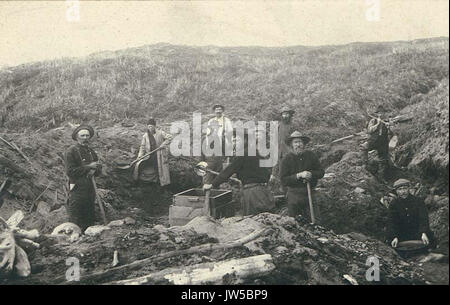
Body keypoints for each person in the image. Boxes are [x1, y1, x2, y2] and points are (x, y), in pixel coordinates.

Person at [203, 126, 275, 216]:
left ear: (245, 140)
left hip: (252, 193)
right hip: (264, 191)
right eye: (232, 141)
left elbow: (228, 171)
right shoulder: (254, 152)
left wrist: (212, 184)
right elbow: (266, 173)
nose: (234, 143)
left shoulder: (242, 154)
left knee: (253, 221)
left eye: (236, 140)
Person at [280, 131, 324, 221]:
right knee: (295, 223)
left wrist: (311, 174)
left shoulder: (311, 156)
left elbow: (321, 172)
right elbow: (283, 180)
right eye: (295, 142)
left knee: (315, 221)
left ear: (303, 144)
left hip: (309, 194)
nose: (298, 145)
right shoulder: (286, 159)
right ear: (291, 145)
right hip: (294, 195)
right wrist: (298, 176)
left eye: (300, 142)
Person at [65, 125, 102, 231]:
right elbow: (70, 171)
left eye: (87, 135)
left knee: (89, 212)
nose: (85, 138)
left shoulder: (91, 151)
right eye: (82, 135)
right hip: (77, 187)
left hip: (90, 187)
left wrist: (95, 169)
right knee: (75, 213)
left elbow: (98, 168)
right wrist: (88, 167)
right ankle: (73, 235)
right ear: (77, 137)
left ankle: (89, 237)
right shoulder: (71, 151)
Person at [133, 118, 172, 204]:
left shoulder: (160, 133)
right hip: (149, 155)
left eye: (152, 126)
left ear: (155, 126)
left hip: (159, 155)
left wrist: (163, 145)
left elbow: (170, 137)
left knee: (160, 170)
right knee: (140, 165)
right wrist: (139, 156)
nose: (150, 128)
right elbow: (142, 147)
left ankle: (162, 187)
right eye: (149, 126)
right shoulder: (145, 136)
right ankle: (140, 184)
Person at [387, 178, 434, 249]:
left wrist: (423, 233)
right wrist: (394, 236)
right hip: (402, 234)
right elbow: (392, 222)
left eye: (405, 188)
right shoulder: (394, 204)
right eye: (400, 189)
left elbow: (423, 219)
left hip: (418, 233)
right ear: (396, 191)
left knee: (429, 244)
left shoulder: (418, 201)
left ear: (409, 189)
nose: (403, 192)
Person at [203, 104, 233, 184]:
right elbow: (208, 133)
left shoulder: (226, 120)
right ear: (214, 111)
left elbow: (229, 133)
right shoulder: (211, 121)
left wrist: (228, 147)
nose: (218, 111)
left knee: (219, 167)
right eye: (216, 110)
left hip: (222, 144)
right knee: (210, 167)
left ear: (222, 111)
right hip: (212, 146)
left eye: (220, 110)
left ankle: (218, 184)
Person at [360, 109, 393, 181]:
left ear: (384, 113)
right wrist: (377, 124)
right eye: (379, 113)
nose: (380, 114)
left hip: (383, 142)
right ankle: (365, 165)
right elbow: (369, 130)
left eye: (382, 113)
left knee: (383, 159)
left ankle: (381, 177)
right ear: (377, 114)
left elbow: (392, 133)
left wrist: (389, 127)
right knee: (364, 147)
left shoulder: (388, 121)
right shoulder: (373, 120)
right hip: (373, 140)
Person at [270, 105, 296, 187]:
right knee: (279, 170)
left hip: (289, 151)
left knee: (291, 169)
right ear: (281, 115)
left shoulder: (293, 126)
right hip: (279, 150)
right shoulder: (278, 126)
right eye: (284, 114)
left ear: (290, 115)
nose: (285, 116)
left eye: (287, 114)